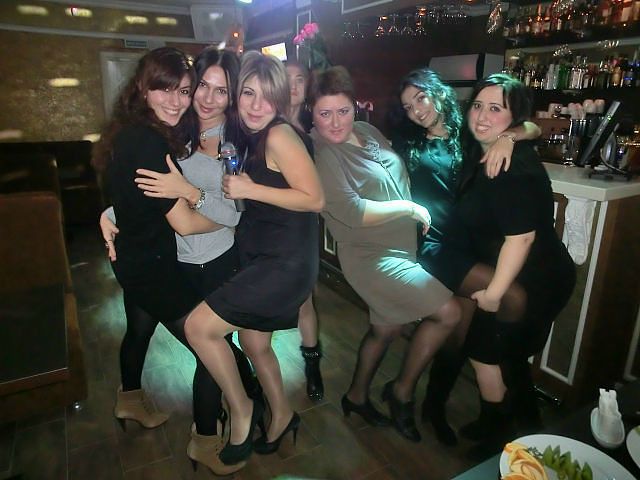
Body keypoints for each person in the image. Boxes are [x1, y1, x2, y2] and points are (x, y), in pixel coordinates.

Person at [98, 47, 258, 475]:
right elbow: (163, 208)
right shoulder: (166, 135)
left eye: (218, 91)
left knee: (146, 329)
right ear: (142, 89)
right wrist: (111, 213)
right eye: (199, 87)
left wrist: (193, 196)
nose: (197, 98)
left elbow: (237, 209)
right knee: (208, 347)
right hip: (158, 262)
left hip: (191, 260)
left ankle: (130, 399)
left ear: (233, 97)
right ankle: (206, 439)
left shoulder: (234, 144)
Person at [183, 51, 324, 466]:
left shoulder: (279, 135)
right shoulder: (249, 136)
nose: (256, 105)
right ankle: (281, 415)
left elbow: (315, 199)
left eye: (267, 96)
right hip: (264, 256)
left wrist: (250, 189)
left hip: (284, 263)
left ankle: (243, 408)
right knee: (253, 341)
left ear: (279, 99)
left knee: (199, 328)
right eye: (248, 93)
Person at [308, 65, 462, 443]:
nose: (335, 122)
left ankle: (356, 396)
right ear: (311, 112)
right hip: (370, 256)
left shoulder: (366, 131)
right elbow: (351, 211)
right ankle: (402, 392)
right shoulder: (323, 153)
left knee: (386, 328)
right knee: (449, 313)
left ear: (355, 107)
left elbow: (399, 168)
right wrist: (409, 209)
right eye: (325, 113)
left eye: (343, 110)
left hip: (402, 248)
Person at [392, 67, 542, 445]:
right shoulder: (408, 143)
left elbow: (533, 127)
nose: (416, 110)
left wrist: (509, 136)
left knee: (459, 329)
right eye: (408, 106)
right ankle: (512, 386)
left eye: (421, 98)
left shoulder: (470, 132)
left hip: (471, 245)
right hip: (436, 246)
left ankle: (434, 405)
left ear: (439, 93)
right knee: (512, 298)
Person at [452, 73, 575, 447]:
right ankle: (522, 430)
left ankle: (503, 433)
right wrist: (510, 134)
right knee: (507, 355)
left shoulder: (508, 166)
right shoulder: (490, 148)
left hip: (535, 279)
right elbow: (532, 127)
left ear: (512, 117)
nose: (482, 116)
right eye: (478, 106)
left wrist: (493, 295)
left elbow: (521, 239)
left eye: (495, 109)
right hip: (522, 273)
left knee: (486, 351)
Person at [285, 60, 323, 401]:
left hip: (303, 225)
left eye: (300, 79)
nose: (293, 86)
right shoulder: (262, 124)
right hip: (269, 224)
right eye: (287, 79)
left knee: (304, 299)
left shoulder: (316, 126)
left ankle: (313, 366)